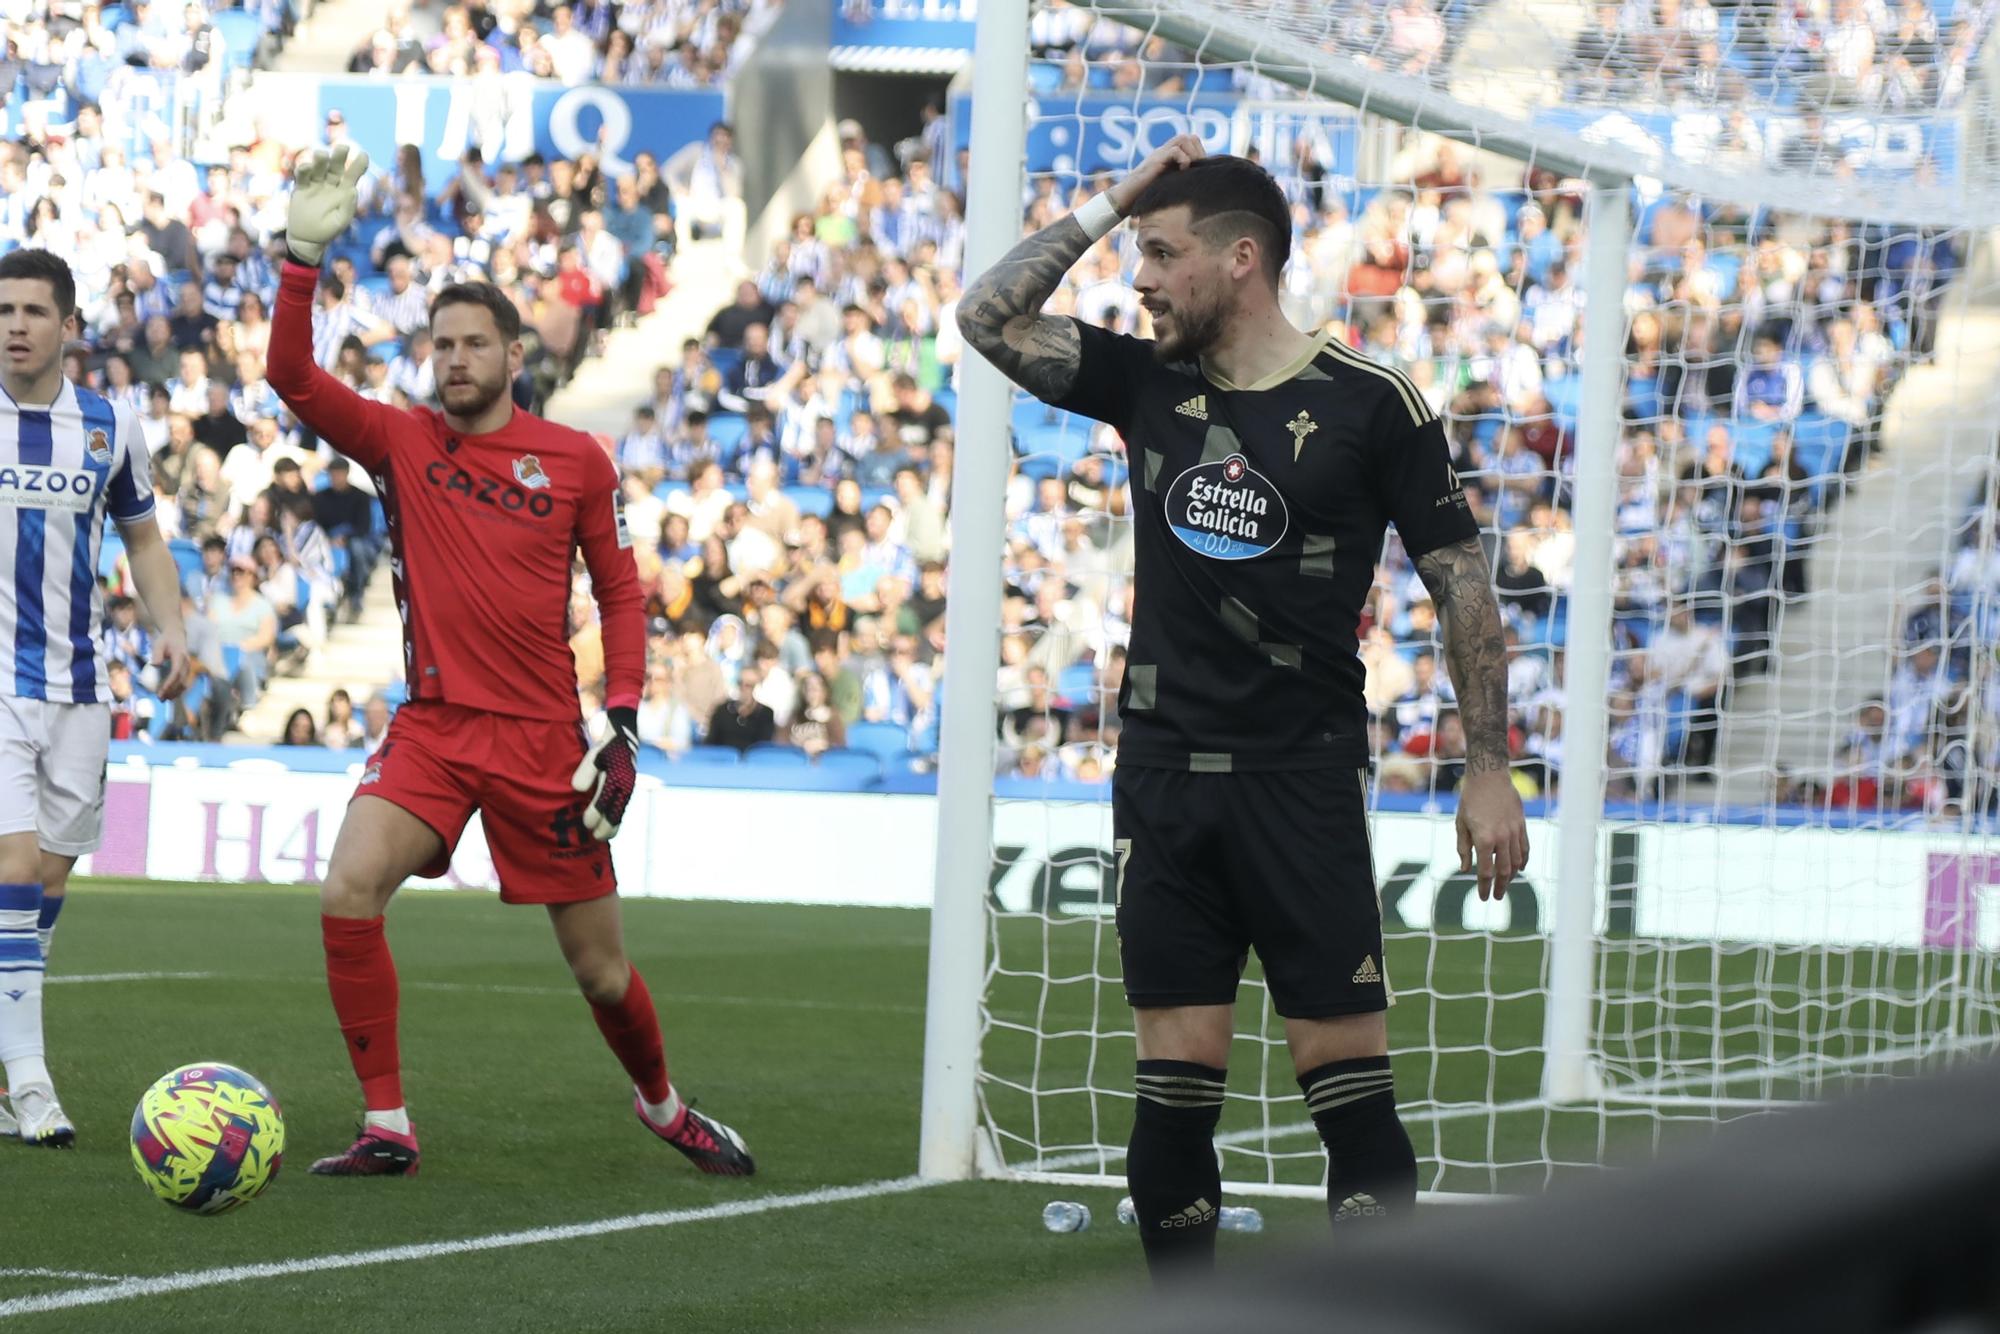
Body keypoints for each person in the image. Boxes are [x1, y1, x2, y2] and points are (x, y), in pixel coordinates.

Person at [957, 140, 1527, 1279]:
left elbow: (1459, 579)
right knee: (1171, 1101)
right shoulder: (1145, 380)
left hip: (1300, 779)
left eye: (1162, 254)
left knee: (1349, 1096)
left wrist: (1485, 763)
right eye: (1137, 254)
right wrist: (1120, 196)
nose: (1142, 278)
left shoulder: (1371, 402)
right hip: (1163, 781)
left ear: (1242, 258)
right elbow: (987, 316)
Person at [270, 145, 754, 1179]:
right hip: (436, 729)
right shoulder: (401, 442)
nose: (451, 358)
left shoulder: (574, 459)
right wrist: (300, 261)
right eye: (439, 343)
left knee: (600, 967)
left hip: (543, 742)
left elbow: (622, 591)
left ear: (510, 356)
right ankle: (386, 1123)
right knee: (347, 890)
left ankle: (662, 1103)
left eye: (471, 343)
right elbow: (292, 379)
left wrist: (619, 719)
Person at [0, 249, 192, 1148]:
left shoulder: (110, 426)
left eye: (35, 311)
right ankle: (32, 1085)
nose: (15, 325)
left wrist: (172, 627)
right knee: (10, 874)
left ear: (70, 327)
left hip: (79, 686)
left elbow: (145, 540)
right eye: (4, 309)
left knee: (43, 885)